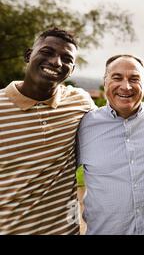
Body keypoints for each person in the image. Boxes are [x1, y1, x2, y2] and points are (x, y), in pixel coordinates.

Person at [0, 28, 94, 234]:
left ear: (72, 69)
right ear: (28, 55)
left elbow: (118, 120)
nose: (56, 62)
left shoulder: (80, 101)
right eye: (47, 52)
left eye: (66, 58)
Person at [76, 55, 144, 235]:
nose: (126, 86)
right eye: (117, 77)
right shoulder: (83, 126)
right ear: (105, 82)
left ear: (143, 84)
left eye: (134, 79)